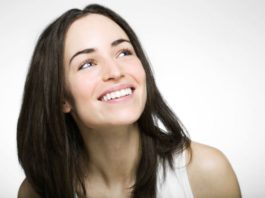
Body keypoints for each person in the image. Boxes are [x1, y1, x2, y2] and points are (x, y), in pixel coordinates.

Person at [17, 4, 241, 198]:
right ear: (61, 98)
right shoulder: (37, 192)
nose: (115, 71)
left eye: (123, 52)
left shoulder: (206, 172)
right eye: (87, 64)